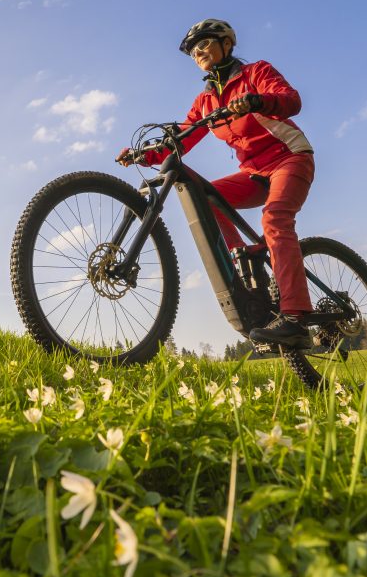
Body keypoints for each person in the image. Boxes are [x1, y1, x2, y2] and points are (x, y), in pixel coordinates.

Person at [118, 18, 315, 348]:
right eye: (193, 51)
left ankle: (296, 319)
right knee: (205, 197)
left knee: (275, 218)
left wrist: (257, 101)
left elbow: (291, 100)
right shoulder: (206, 101)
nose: (198, 52)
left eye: (204, 44)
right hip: (252, 174)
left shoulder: (256, 73)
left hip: (289, 158)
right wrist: (142, 155)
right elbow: (180, 141)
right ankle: (246, 267)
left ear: (226, 43)